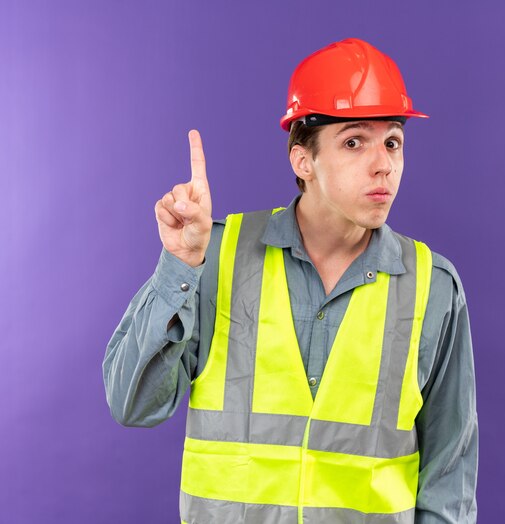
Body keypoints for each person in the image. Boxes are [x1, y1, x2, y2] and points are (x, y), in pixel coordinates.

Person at [103, 38, 478, 524]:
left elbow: (449, 477)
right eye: (353, 142)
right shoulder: (217, 256)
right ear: (303, 161)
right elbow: (131, 404)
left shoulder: (433, 285)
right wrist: (180, 266)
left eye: (393, 142)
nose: (383, 163)